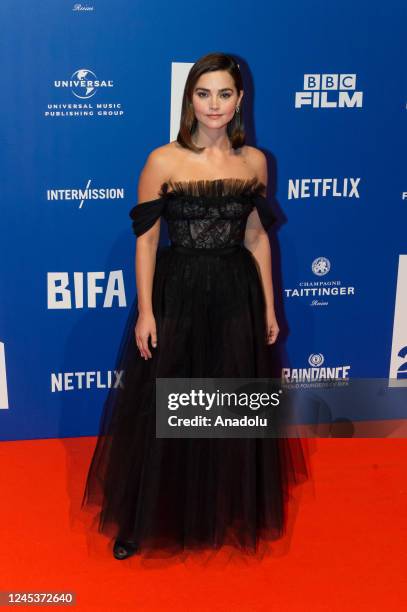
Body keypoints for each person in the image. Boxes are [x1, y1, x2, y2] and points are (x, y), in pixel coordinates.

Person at [81, 52, 309, 560]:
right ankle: (143, 519)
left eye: (224, 94)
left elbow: (255, 238)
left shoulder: (255, 162)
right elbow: (145, 241)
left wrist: (269, 308)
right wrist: (145, 311)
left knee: (228, 406)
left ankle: (222, 508)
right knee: (165, 405)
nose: (214, 105)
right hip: (178, 289)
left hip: (236, 292)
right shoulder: (163, 160)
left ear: (239, 100)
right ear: (190, 99)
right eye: (203, 94)